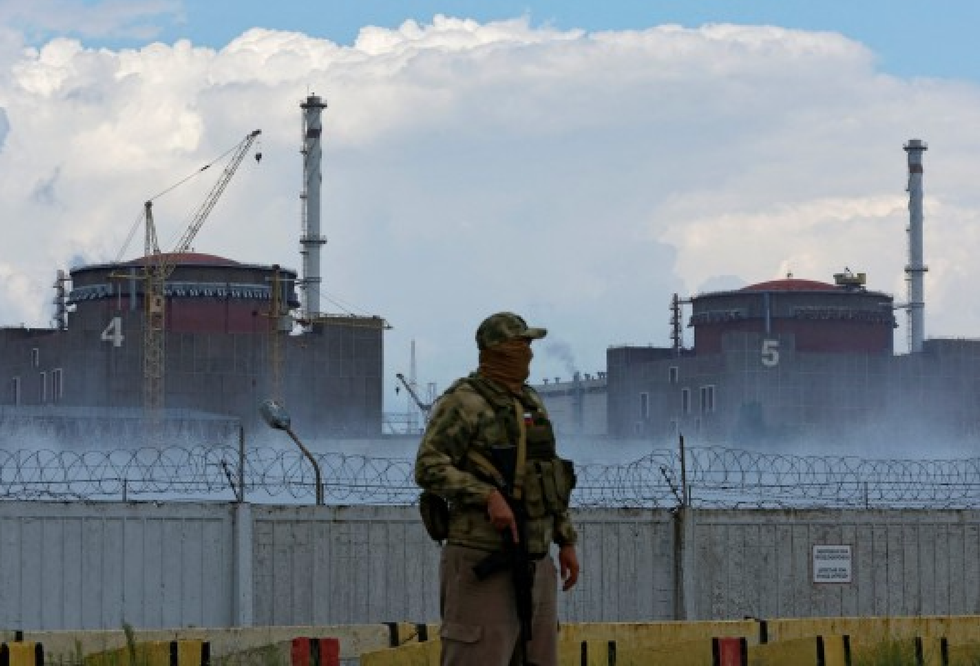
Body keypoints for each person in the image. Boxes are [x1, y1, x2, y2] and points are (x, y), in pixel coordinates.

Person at [415, 311, 580, 666]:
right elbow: (429, 467)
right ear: (497, 349)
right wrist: (486, 494)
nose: (528, 353)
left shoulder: (531, 402)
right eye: (520, 344)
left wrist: (565, 540)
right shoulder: (463, 402)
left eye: (529, 344)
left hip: (536, 561)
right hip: (482, 558)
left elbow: (548, 474)